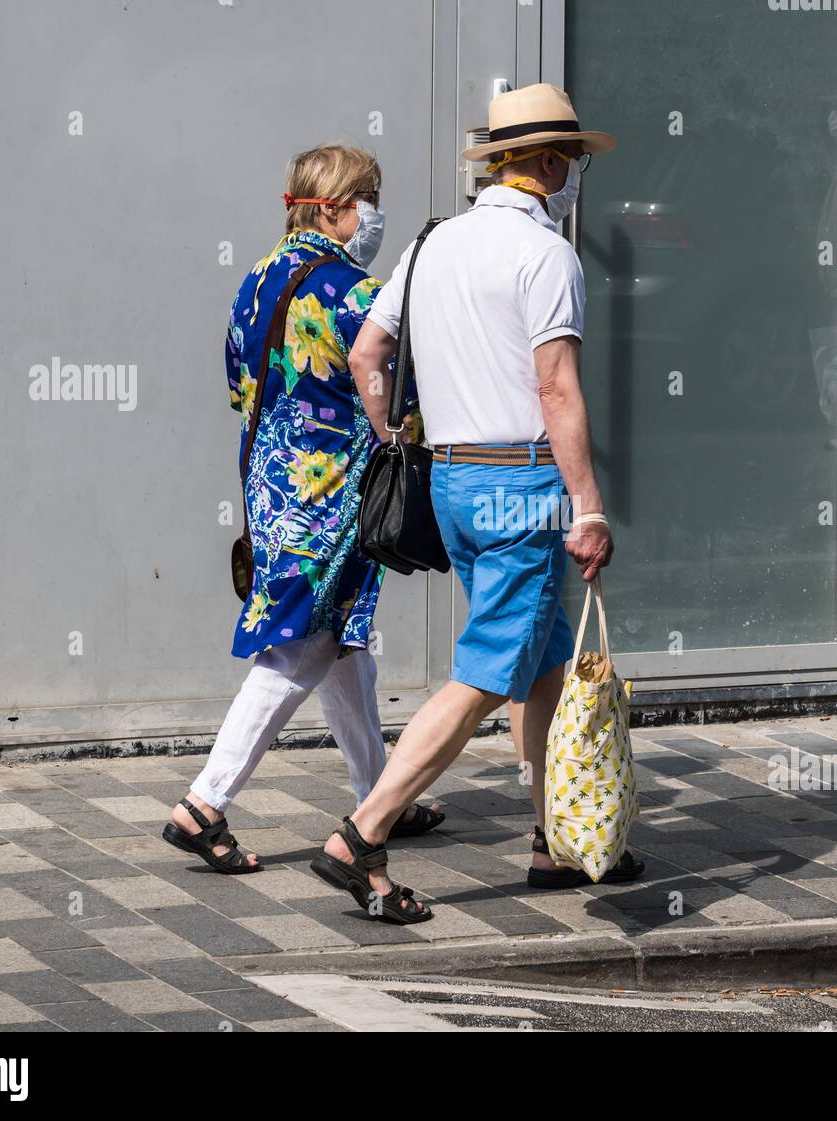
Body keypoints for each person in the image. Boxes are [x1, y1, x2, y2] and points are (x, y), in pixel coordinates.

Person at [316, 85, 643, 922]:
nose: (573, 173)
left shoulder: (433, 243)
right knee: (489, 669)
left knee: (537, 664)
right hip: (520, 481)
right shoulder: (545, 255)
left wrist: (394, 434)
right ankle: (363, 831)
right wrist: (590, 504)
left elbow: (366, 353)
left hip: (453, 480)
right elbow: (556, 386)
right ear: (544, 162)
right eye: (569, 158)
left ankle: (551, 841)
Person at [162, 146, 442, 874]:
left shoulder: (255, 280)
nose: (374, 214)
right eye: (367, 199)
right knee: (300, 646)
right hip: (329, 495)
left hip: (271, 484)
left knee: (341, 642)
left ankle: (380, 797)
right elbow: (400, 390)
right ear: (332, 208)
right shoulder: (355, 292)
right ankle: (203, 804)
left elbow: (238, 387)